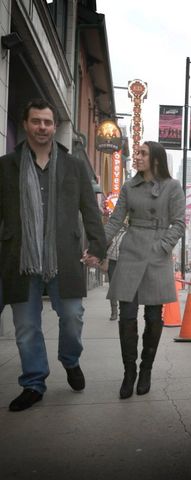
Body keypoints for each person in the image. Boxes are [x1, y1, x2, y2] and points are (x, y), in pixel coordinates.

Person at [0, 98, 107, 412]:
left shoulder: (72, 165)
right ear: (26, 124)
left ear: (54, 126)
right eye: (36, 121)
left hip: (65, 256)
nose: (42, 127)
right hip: (20, 257)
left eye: (47, 122)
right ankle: (33, 382)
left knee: (73, 317)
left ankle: (70, 360)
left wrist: (98, 248)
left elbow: (90, 210)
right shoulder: (7, 166)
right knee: (26, 327)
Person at [87, 141, 185, 399]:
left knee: (154, 316)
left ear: (155, 159)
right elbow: (115, 221)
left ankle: (146, 370)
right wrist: (97, 247)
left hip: (157, 255)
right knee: (127, 316)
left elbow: (179, 223)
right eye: (138, 153)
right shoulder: (129, 187)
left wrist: (162, 247)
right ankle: (129, 372)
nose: (138, 157)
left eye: (143, 154)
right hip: (130, 252)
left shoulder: (173, 187)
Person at [105, 225, 127, 321]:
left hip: (124, 262)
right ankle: (114, 312)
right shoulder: (112, 233)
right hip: (112, 262)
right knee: (112, 287)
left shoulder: (128, 234)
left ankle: (123, 311)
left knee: (123, 286)